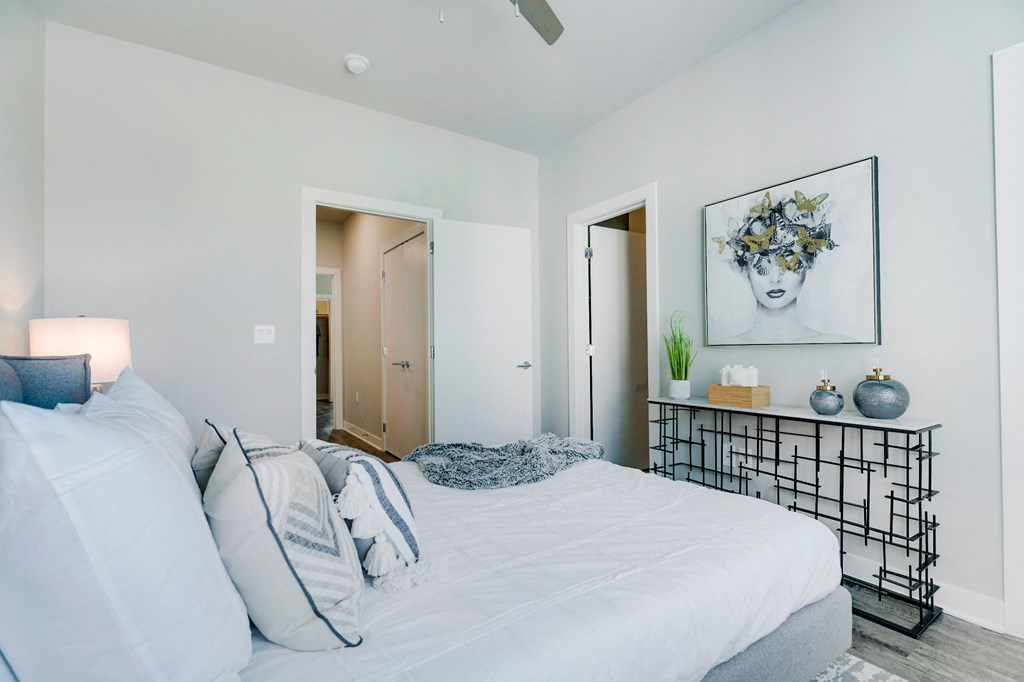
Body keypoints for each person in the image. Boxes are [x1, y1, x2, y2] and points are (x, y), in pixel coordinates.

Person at [716, 191, 852, 344]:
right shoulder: (725, 346)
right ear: (745, 269)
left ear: (808, 264)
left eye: (789, 265)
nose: (775, 279)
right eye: (761, 265)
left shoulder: (836, 343)